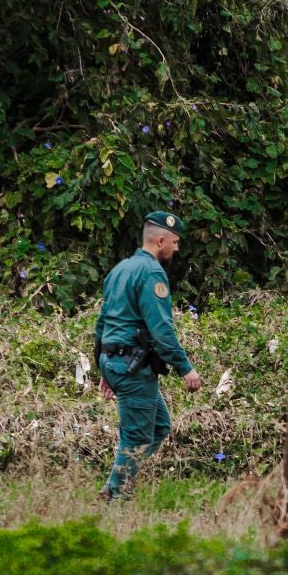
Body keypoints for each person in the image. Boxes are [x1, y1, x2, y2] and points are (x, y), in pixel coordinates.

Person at [94, 210, 202, 501]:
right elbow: (161, 330)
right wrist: (185, 368)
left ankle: (112, 486)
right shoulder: (152, 273)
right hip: (132, 366)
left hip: (115, 360)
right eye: (175, 242)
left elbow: (102, 324)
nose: (176, 249)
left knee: (159, 425)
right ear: (160, 239)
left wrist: (104, 368)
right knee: (139, 437)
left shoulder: (120, 269)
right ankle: (118, 499)